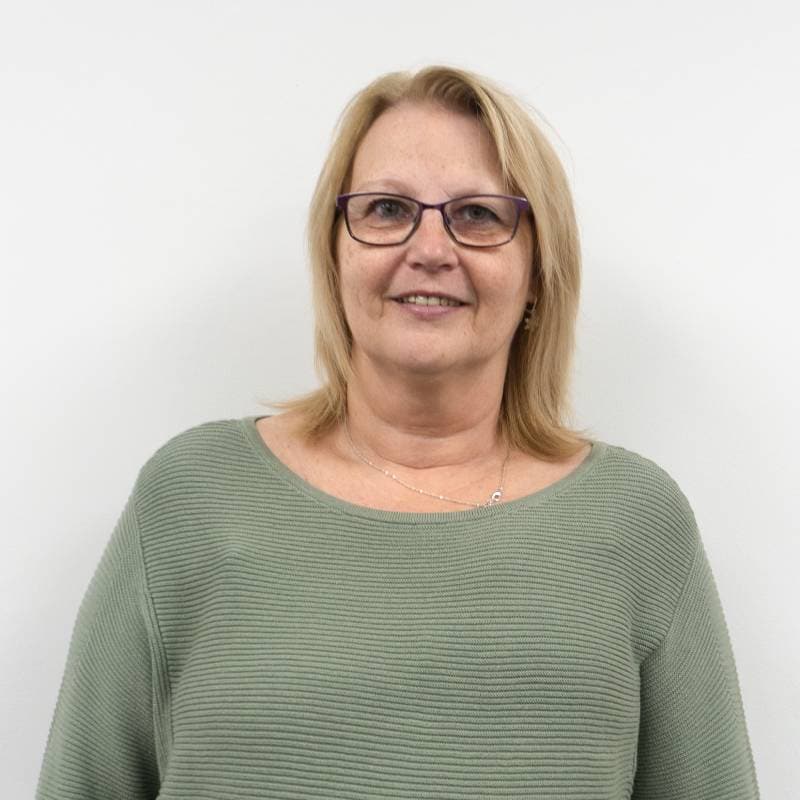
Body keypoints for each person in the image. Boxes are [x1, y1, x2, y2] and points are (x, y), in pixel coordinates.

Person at [35, 65, 760, 799]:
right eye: (386, 209)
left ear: (539, 267)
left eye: (478, 215)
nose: (431, 248)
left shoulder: (636, 523)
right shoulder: (188, 501)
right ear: (335, 252)